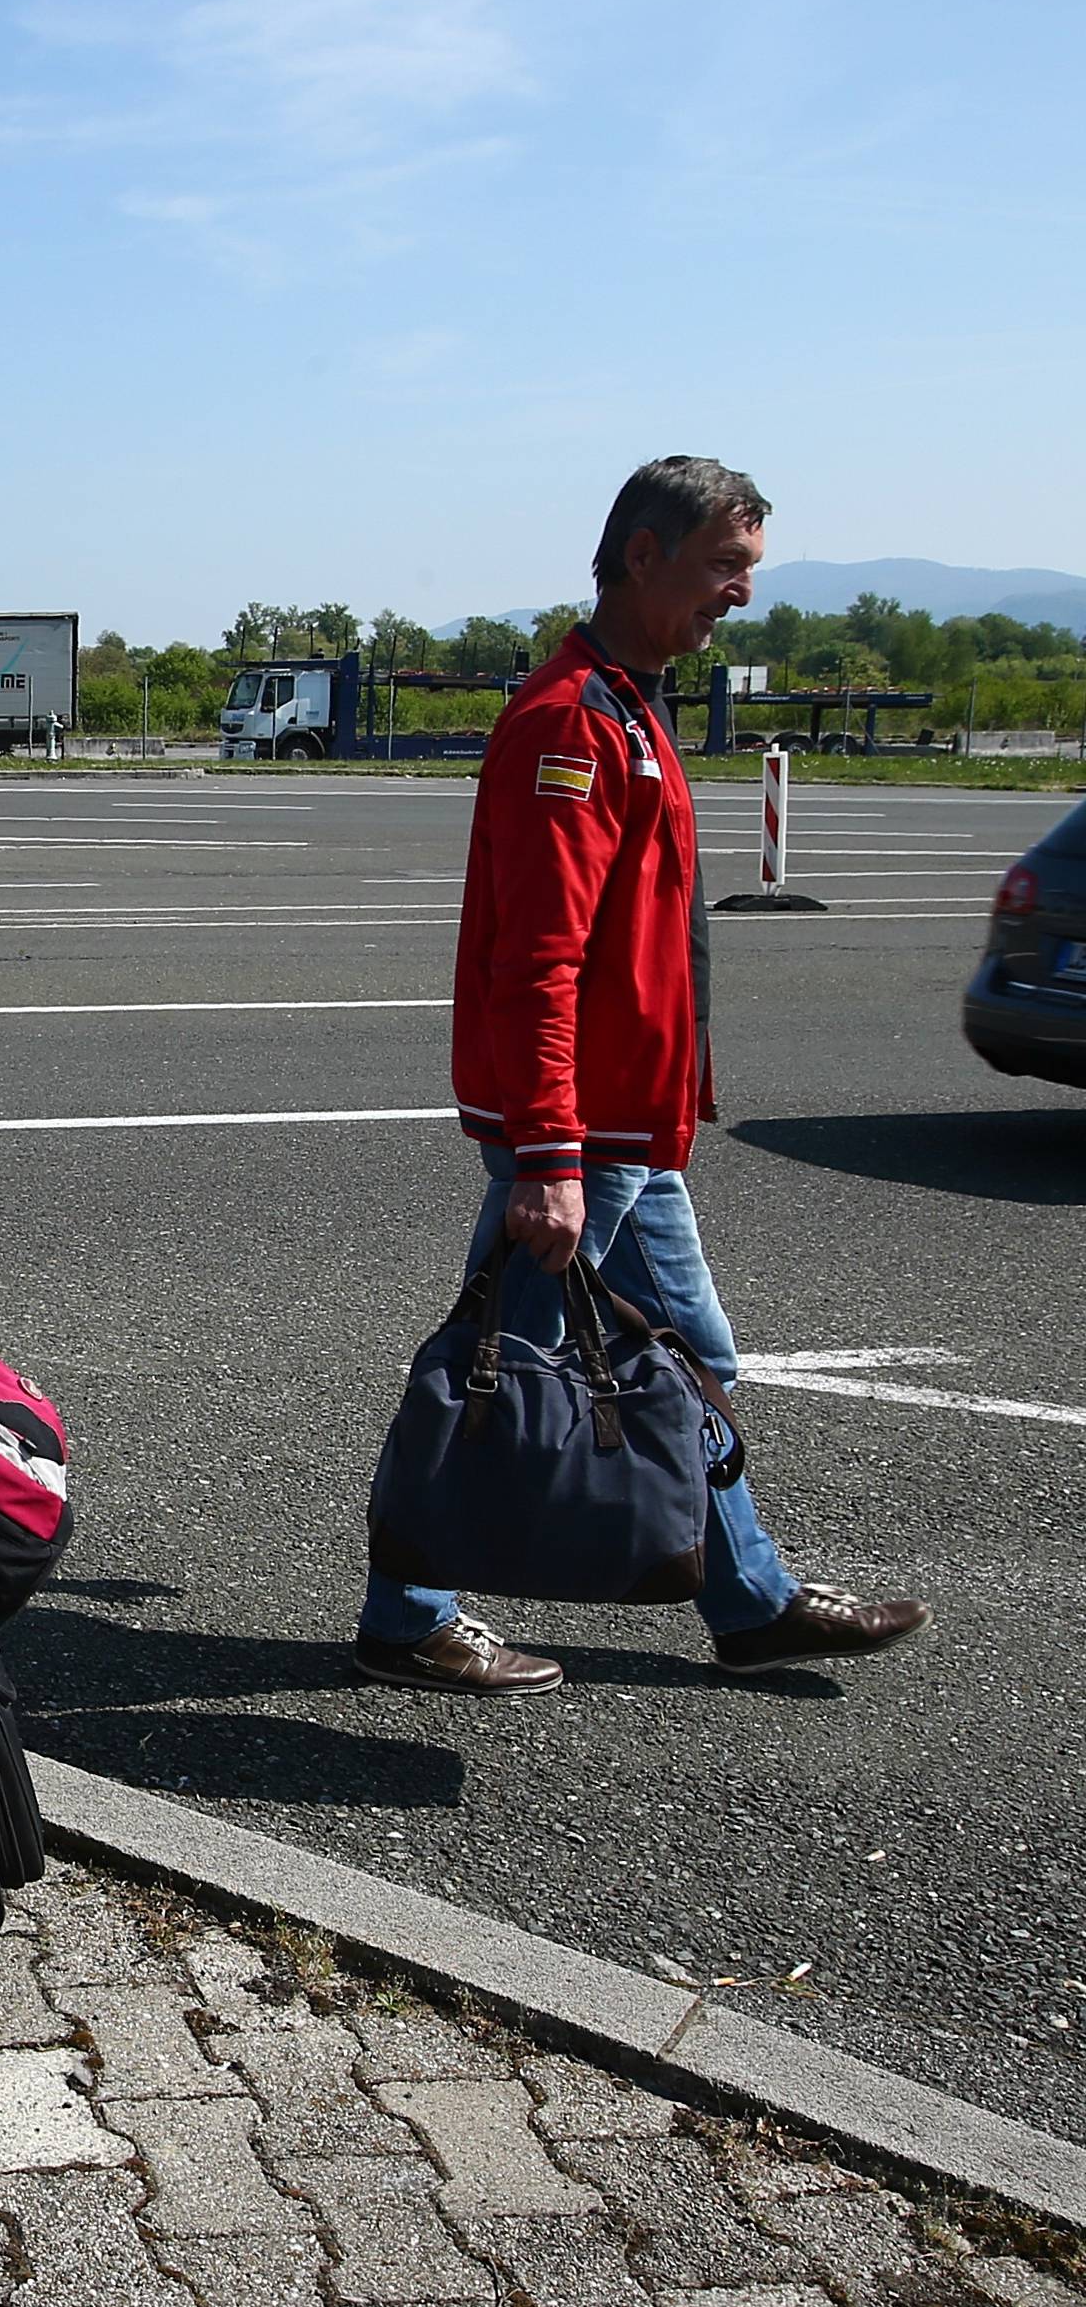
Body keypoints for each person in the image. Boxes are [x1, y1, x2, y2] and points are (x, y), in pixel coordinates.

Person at [355, 454, 931, 1697]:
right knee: (500, 1360)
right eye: (725, 567)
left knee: (687, 1357)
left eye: (748, 570)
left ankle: (752, 1599)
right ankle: (407, 1612)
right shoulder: (574, 721)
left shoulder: (632, 705)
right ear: (639, 554)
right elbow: (543, 959)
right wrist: (550, 1155)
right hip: (586, 1132)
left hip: (631, 1130)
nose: (741, 595)